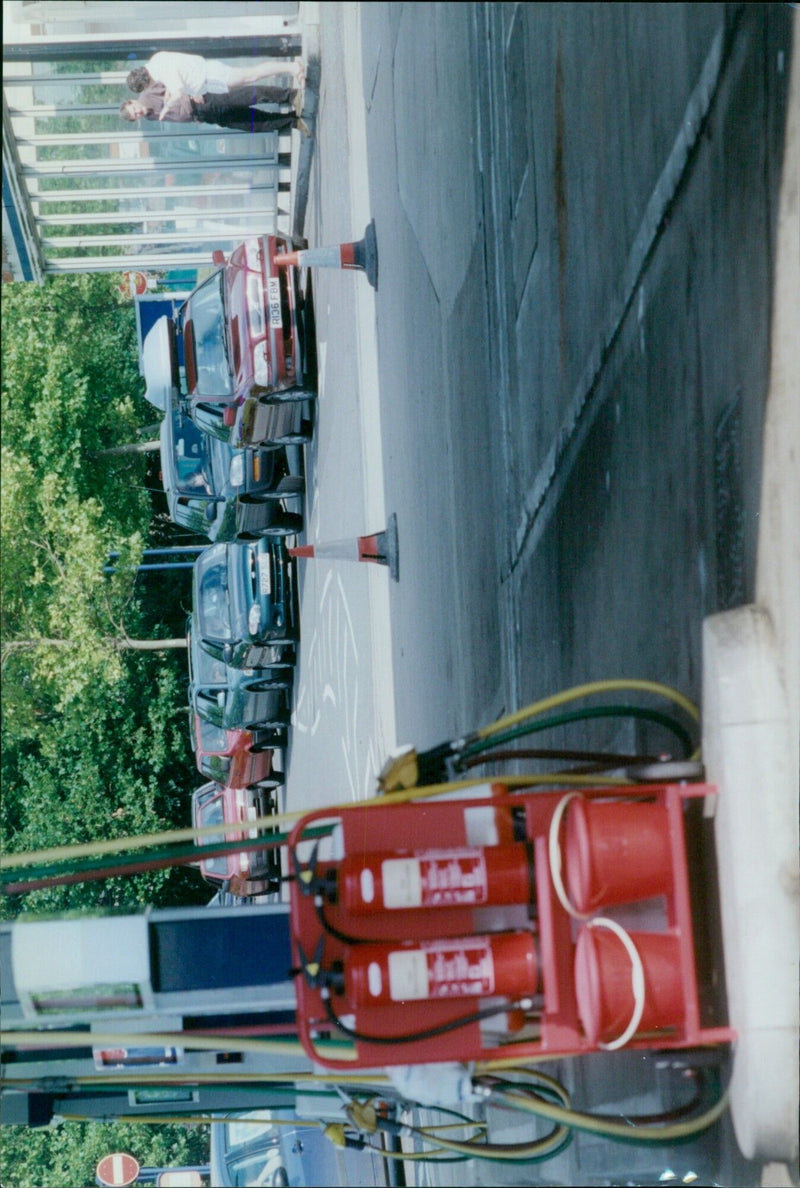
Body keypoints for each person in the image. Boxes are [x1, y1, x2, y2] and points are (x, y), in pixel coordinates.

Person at [127, 51, 304, 122]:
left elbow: (178, 90)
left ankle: (292, 68)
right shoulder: (156, 61)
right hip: (205, 80)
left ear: (144, 82)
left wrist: (166, 109)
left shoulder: (161, 71)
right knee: (250, 77)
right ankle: (290, 70)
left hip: (209, 76)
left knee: (251, 75)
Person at [120, 83, 310, 137]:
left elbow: (174, 80)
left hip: (204, 99)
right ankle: (293, 121)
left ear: (132, 101)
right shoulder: (151, 118)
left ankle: (291, 96)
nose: (138, 113)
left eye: (134, 109)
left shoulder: (148, 92)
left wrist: (192, 91)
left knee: (249, 96)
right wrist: (195, 119)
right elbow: (176, 115)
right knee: (250, 123)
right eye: (135, 116)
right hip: (203, 114)